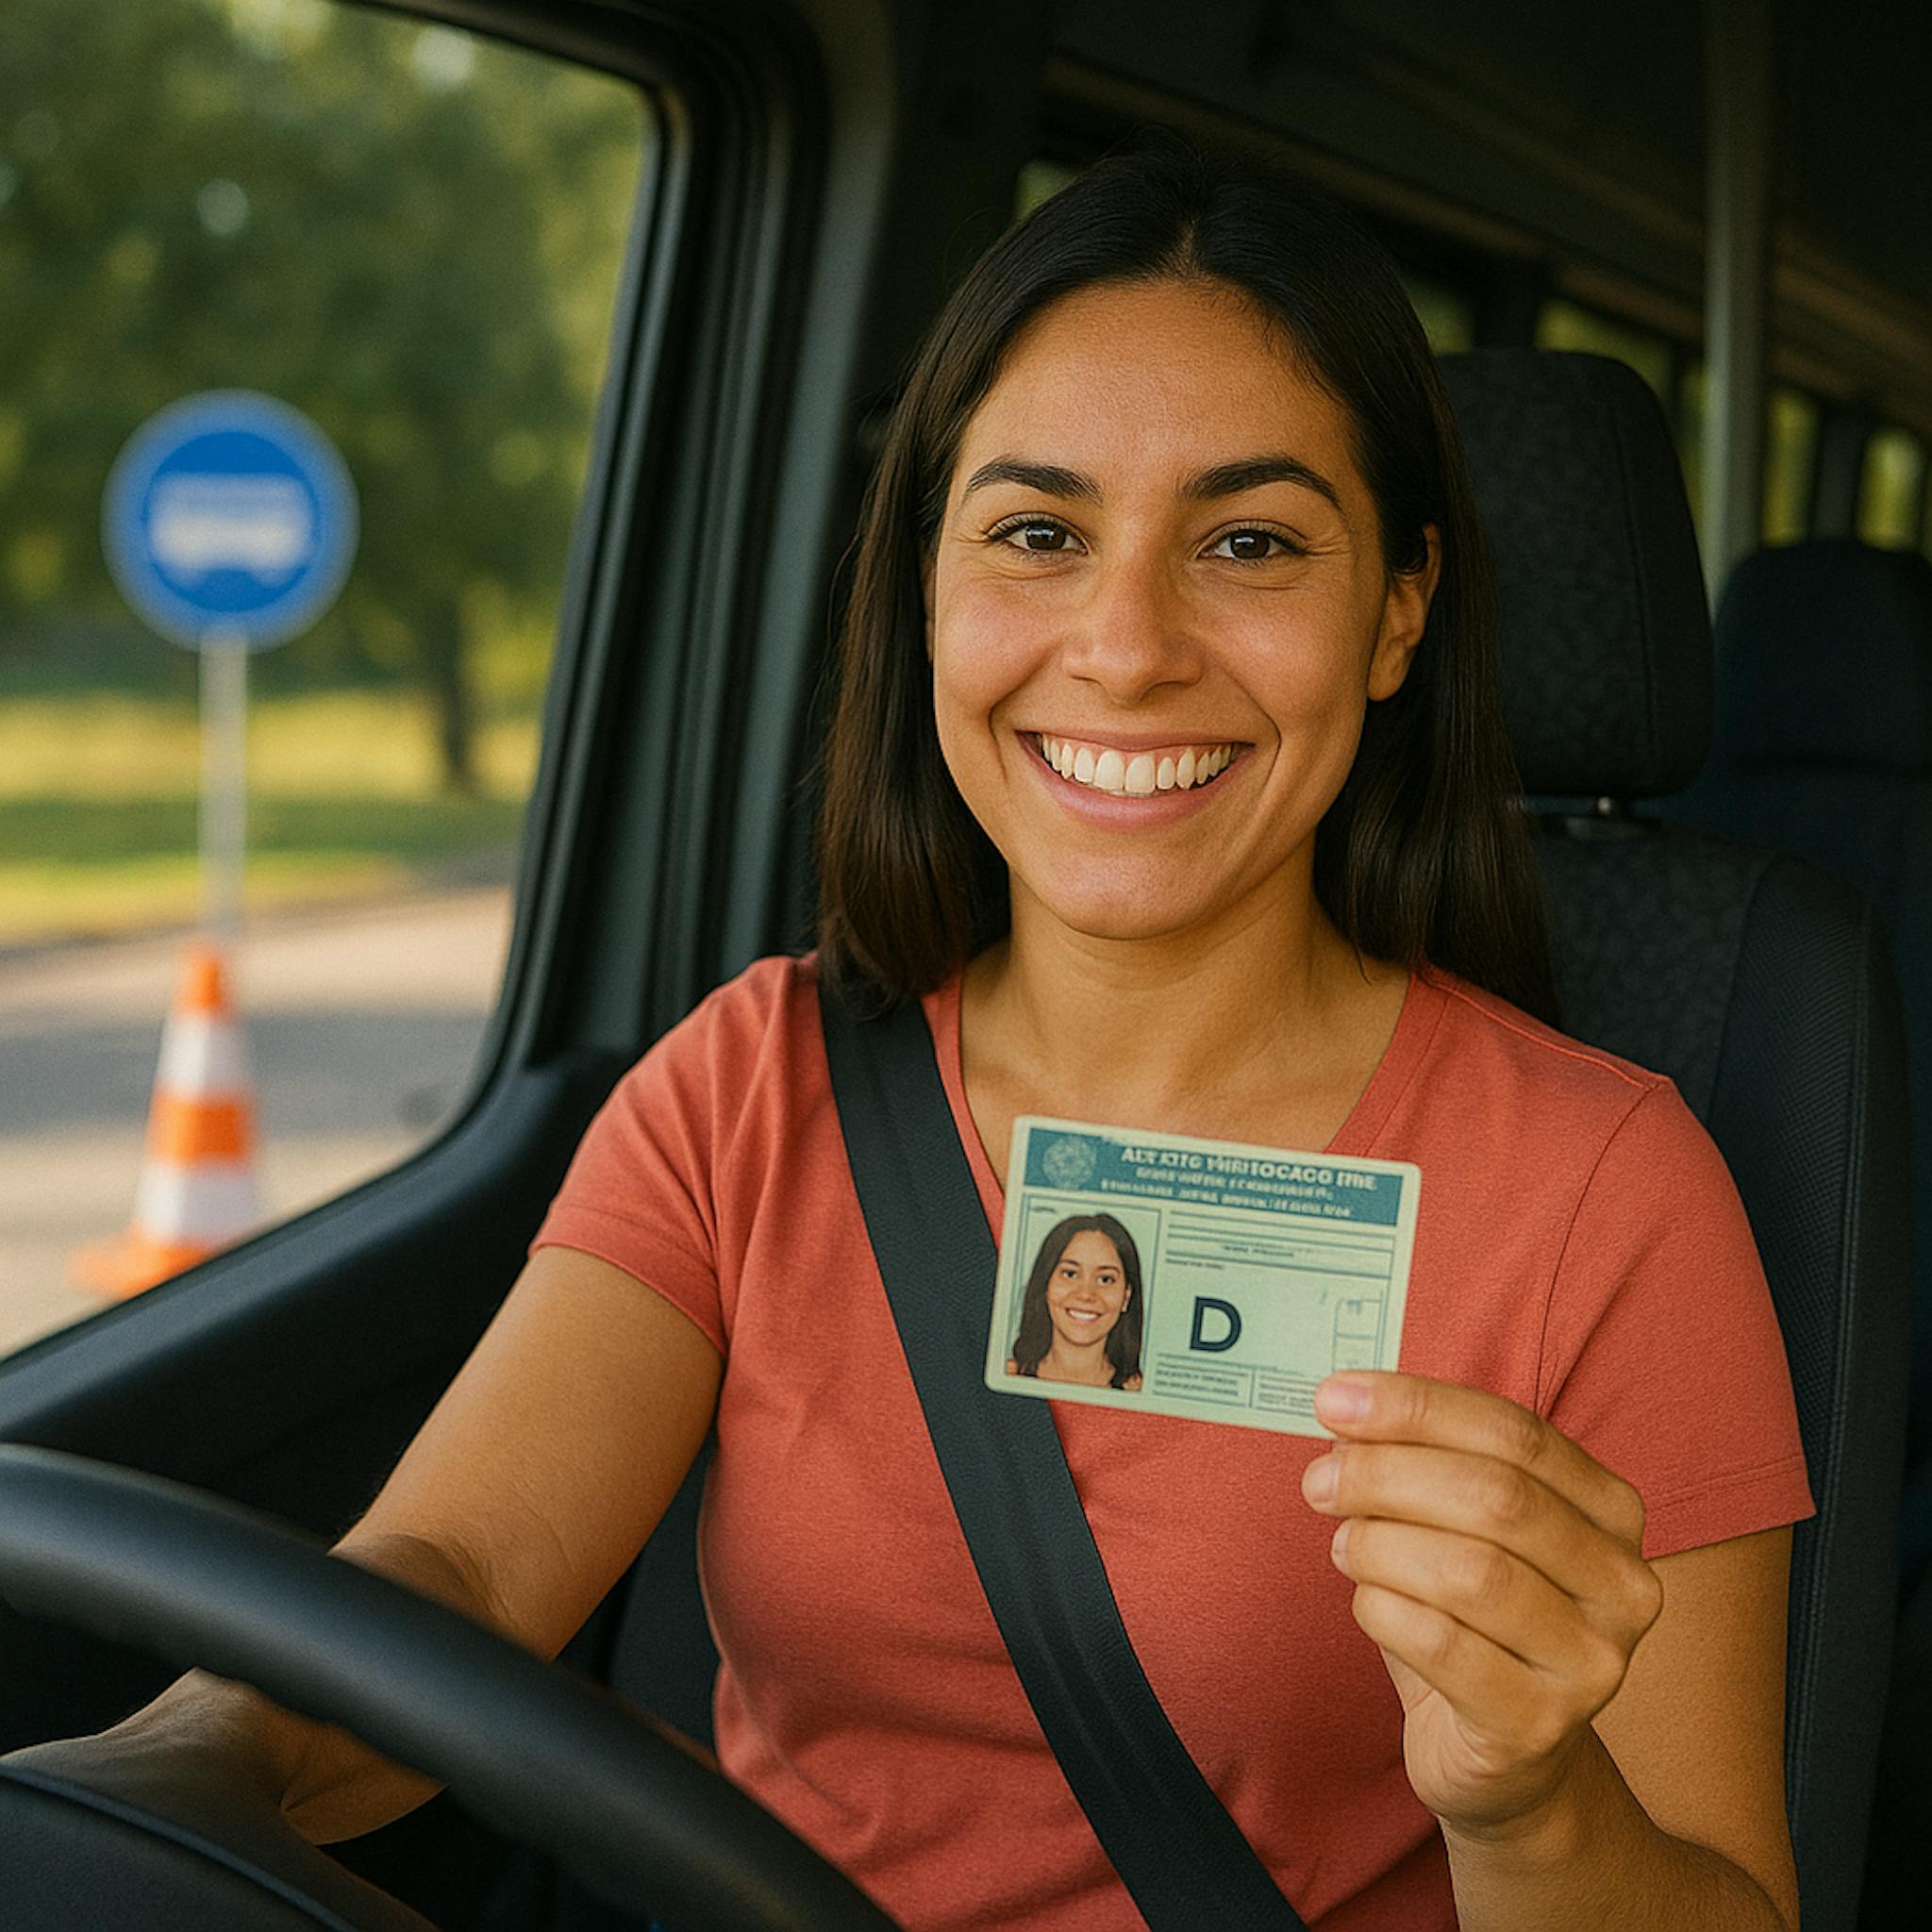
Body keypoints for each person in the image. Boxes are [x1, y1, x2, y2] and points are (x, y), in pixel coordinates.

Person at [54, 142, 1811, 1930]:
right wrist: (181, 1754)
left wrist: (1523, 1807)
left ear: (1396, 613)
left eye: (1249, 542)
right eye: (1037, 534)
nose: (1122, 648)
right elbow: (455, 1572)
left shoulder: (1605, 1194)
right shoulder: (752, 1086)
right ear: (923, 585)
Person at [1006, 1213, 1144, 1389]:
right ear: (1045, 1285)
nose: (1086, 1294)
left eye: (1105, 1279)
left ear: (1126, 1296)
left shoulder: (1142, 1395)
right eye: (1070, 1274)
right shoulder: (1006, 1378)